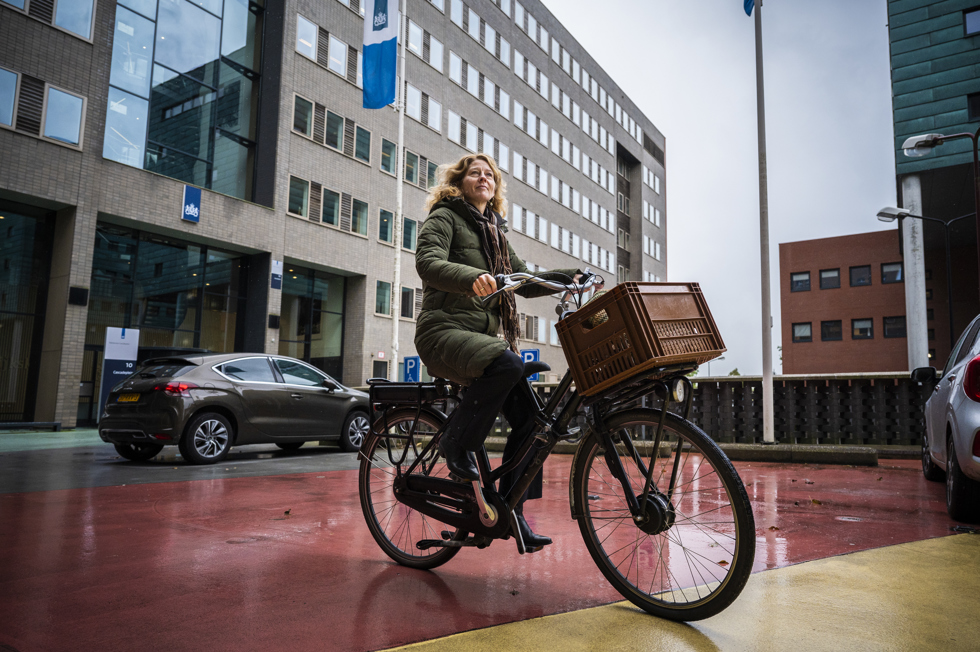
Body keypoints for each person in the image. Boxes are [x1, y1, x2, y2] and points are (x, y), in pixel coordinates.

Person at [414, 153, 580, 550]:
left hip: (482, 342)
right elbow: (428, 262)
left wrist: (569, 278)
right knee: (507, 363)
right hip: (443, 332)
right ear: (460, 181)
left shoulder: (495, 234)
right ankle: (454, 444)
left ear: (495, 187)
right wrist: (474, 278)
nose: (483, 178)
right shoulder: (445, 216)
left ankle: (511, 510)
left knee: (532, 420)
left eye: (490, 175)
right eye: (475, 173)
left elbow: (524, 279)